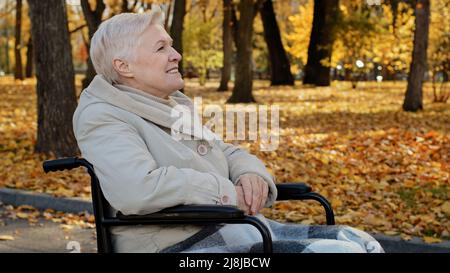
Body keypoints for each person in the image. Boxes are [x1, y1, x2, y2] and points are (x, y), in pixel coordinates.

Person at [72, 6, 384, 253]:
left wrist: (251, 176)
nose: (176, 54)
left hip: (231, 227)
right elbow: (137, 189)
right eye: (161, 48)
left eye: (172, 45)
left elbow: (224, 151)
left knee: (359, 241)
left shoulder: (170, 104)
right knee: (336, 251)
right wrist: (225, 193)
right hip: (175, 244)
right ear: (124, 67)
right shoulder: (103, 115)